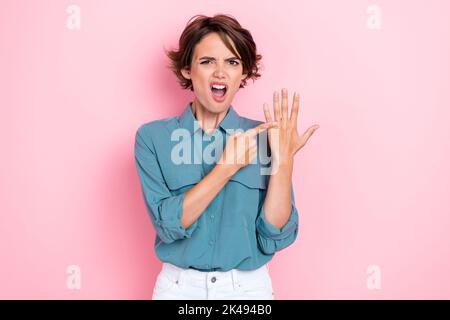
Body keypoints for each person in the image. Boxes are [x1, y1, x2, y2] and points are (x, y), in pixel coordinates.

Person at [134, 13, 319, 300]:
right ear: (187, 69)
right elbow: (169, 225)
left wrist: (284, 165)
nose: (220, 72)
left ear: (243, 73)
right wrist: (226, 168)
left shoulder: (266, 136)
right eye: (207, 62)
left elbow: (274, 237)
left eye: (232, 62)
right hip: (179, 290)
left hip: (247, 291)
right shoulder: (152, 138)